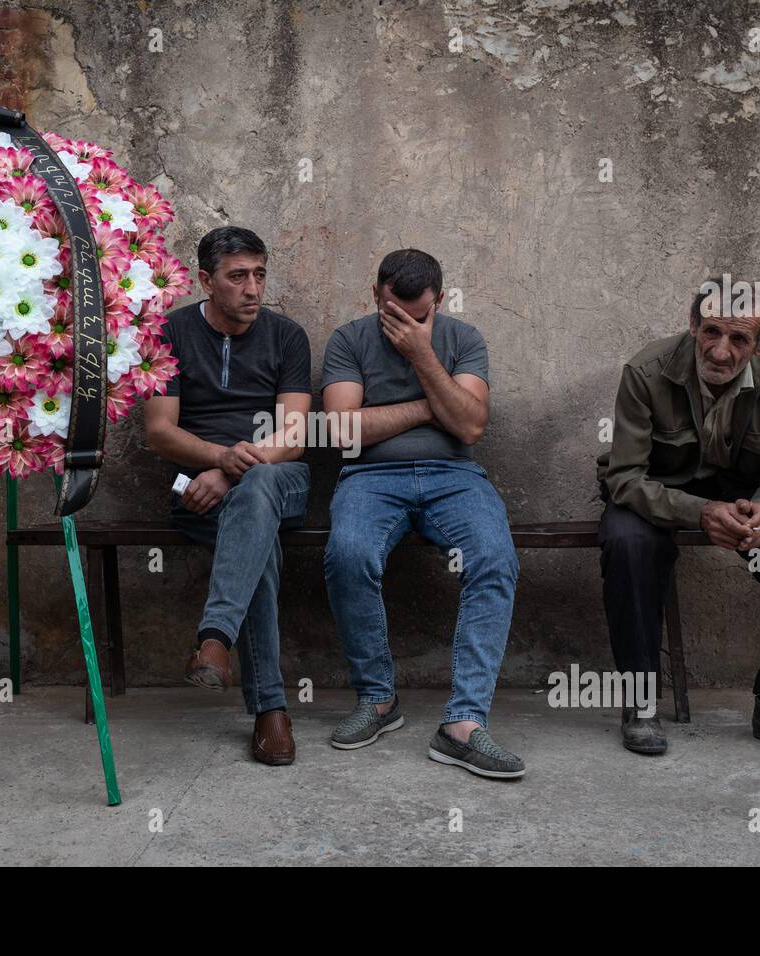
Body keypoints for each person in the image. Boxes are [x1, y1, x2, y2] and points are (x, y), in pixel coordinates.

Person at [596, 279, 760, 761]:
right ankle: (640, 702)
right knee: (626, 539)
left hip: (739, 495)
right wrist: (697, 512)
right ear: (692, 326)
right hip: (658, 494)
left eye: (739, 339)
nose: (721, 352)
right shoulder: (646, 371)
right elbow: (624, 478)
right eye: (711, 332)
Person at [320, 249, 523, 779]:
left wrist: (422, 355)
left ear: (438, 298)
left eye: (417, 315)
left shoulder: (463, 339)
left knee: (495, 558)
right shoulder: (349, 340)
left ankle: (462, 724)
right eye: (393, 312)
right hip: (369, 478)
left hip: (454, 477)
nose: (404, 324)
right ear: (375, 294)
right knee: (348, 554)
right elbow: (342, 431)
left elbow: (472, 428)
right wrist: (436, 405)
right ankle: (378, 701)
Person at [143, 226, 311, 766]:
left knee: (259, 485)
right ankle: (271, 714)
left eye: (259, 274)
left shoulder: (288, 337)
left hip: (280, 479)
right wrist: (218, 461)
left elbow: (293, 436)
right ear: (205, 281)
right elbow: (159, 432)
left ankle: (216, 636)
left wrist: (235, 469)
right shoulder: (166, 335)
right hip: (199, 490)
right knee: (256, 540)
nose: (253, 288)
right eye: (238, 276)